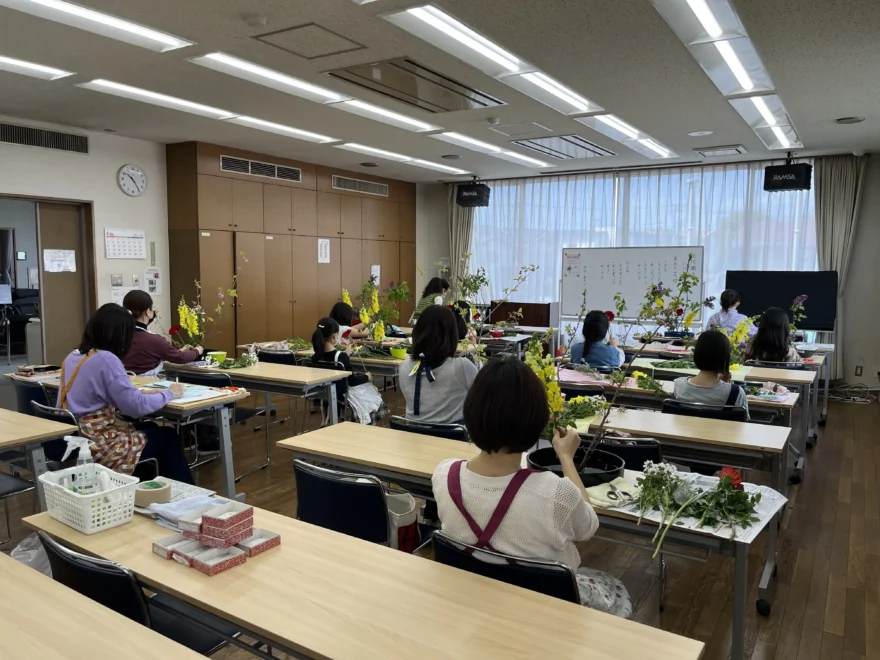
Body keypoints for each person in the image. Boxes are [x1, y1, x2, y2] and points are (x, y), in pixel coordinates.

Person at [431, 358, 632, 617]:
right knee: (616, 587)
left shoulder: (444, 473)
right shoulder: (555, 492)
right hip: (543, 611)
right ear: (538, 423)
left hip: (472, 601)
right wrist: (567, 459)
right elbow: (589, 526)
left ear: (470, 413)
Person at [56, 303, 194, 483]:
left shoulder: (74, 356)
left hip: (75, 436)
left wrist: (140, 392)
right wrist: (169, 393)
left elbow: (103, 391)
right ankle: (186, 497)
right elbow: (134, 408)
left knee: (151, 428)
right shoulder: (106, 359)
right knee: (167, 436)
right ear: (119, 335)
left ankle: (141, 489)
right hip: (98, 444)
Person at [399, 305, 477, 424]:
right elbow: (483, 399)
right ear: (452, 335)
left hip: (413, 437)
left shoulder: (404, 368)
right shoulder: (462, 367)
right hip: (453, 438)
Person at [311, 317, 386, 424]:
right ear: (334, 336)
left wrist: (345, 353)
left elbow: (334, 359)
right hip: (342, 393)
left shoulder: (315, 357)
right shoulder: (341, 357)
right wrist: (367, 376)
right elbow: (352, 381)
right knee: (374, 395)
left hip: (322, 393)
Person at [121, 289, 203, 375]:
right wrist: (197, 350)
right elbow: (181, 358)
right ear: (148, 312)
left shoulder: (120, 336)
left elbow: (145, 356)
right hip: (148, 385)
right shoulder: (153, 340)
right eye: (152, 309)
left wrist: (177, 352)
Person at [672, 330, 749, 417]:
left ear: (696, 354)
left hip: (684, 430)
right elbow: (743, 424)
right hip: (721, 430)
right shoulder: (736, 392)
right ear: (725, 358)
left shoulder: (678, 385)